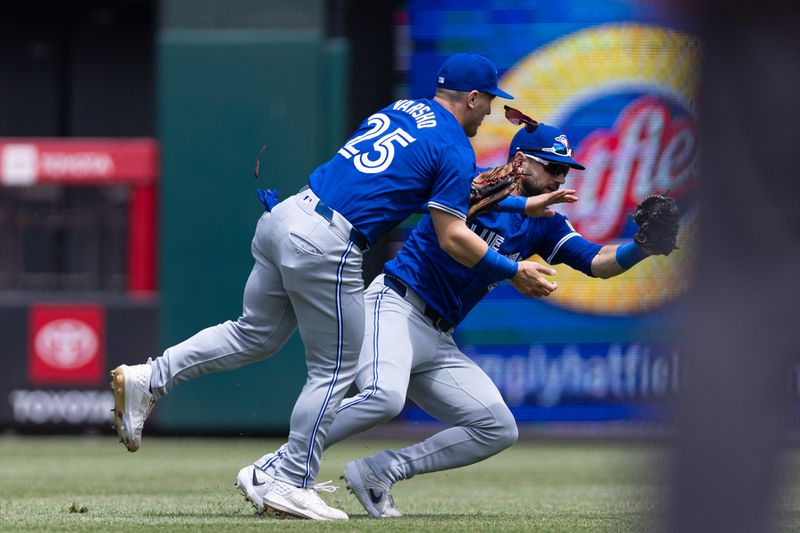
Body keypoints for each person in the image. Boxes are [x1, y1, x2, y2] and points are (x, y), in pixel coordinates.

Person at [109, 53, 558, 521]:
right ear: (471, 97)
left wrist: (521, 210)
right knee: (334, 369)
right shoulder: (454, 146)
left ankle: (149, 378)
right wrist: (512, 270)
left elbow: (396, 188)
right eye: (487, 101)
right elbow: (452, 234)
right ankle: (288, 481)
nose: (488, 111)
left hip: (288, 215)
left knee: (252, 334)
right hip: (329, 241)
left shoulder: (399, 110)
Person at [235, 121, 667, 517]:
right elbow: (464, 210)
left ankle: (377, 472)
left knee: (497, 427)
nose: (560, 178)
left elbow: (597, 261)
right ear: (520, 161)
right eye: (552, 166)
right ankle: (275, 468)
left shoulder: (545, 223)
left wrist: (643, 246)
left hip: (438, 336)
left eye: (565, 170)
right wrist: (514, 261)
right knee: (384, 396)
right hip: (396, 306)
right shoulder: (466, 184)